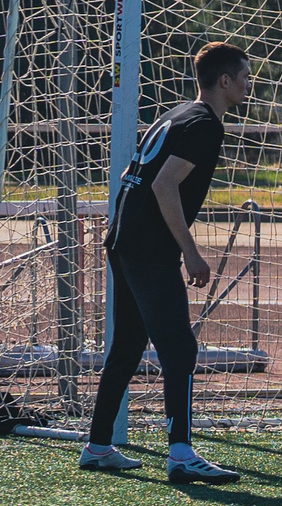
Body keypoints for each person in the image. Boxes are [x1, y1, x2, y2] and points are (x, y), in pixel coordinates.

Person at [81, 41, 253, 483]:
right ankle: (180, 455)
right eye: (245, 76)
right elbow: (163, 185)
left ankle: (98, 445)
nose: (249, 84)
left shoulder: (177, 114)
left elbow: (131, 176)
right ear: (224, 81)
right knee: (179, 349)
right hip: (146, 249)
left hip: (124, 239)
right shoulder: (204, 125)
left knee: (127, 346)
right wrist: (190, 251)